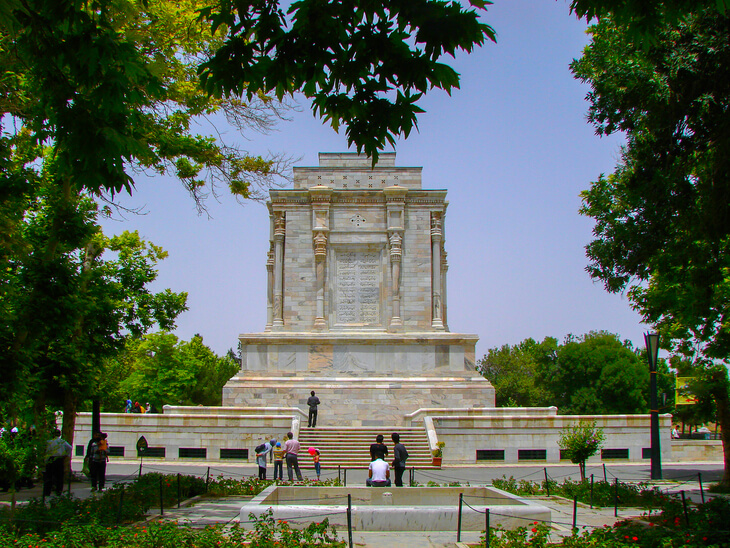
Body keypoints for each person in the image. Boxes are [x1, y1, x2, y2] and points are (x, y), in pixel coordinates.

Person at [44, 428, 72, 497]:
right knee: (59, 476)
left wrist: (46, 460)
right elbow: (70, 447)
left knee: (49, 476)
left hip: (51, 459)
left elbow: (47, 451)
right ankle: (59, 491)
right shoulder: (62, 441)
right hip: (59, 459)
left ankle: (47, 492)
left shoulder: (49, 442)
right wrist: (66, 455)